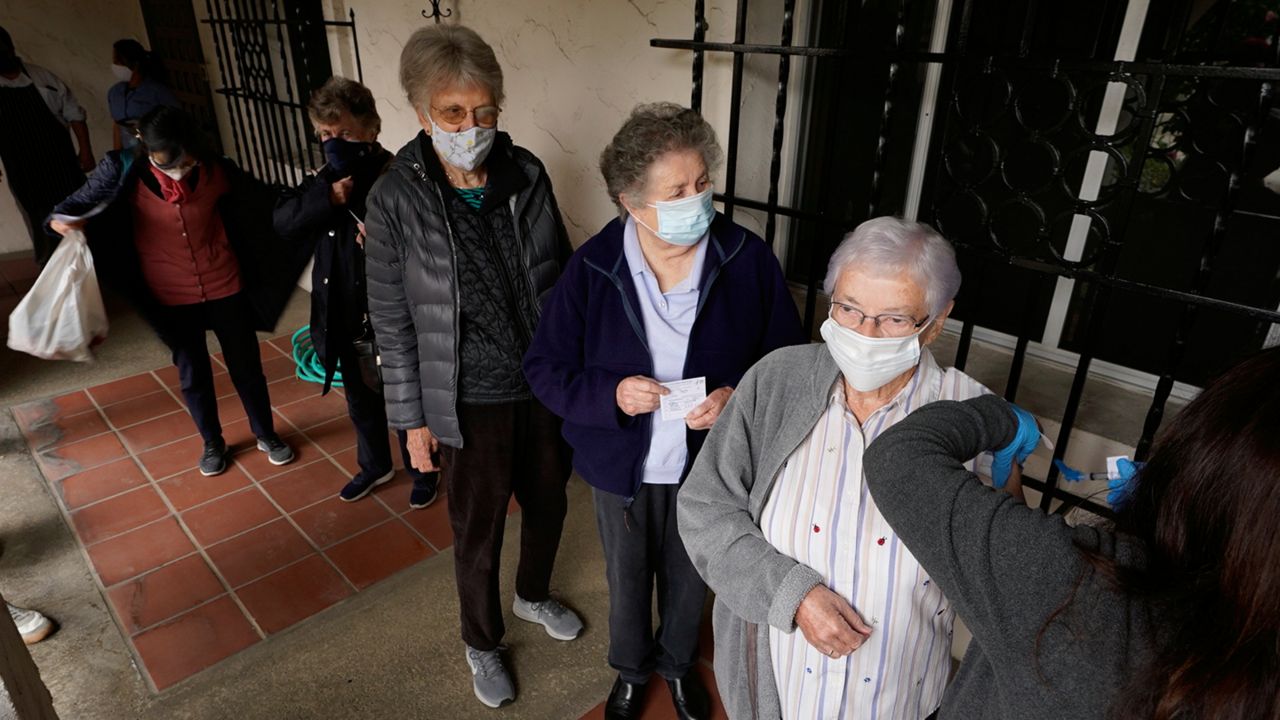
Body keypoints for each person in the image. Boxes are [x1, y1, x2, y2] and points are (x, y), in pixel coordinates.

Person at [678, 217, 1024, 720]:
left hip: (903, 699)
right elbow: (705, 509)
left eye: (894, 319)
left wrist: (1009, 465)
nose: (865, 333)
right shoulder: (775, 381)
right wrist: (791, 595)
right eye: (849, 308)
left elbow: (1009, 574)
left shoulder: (973, 416)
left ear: (938, 321)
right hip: (779, 696)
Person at [524, 102, 806, 720]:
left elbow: (787, 360)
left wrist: (738, 398)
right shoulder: (593, 268)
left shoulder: (746, 260)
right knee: (627, 580)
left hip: (708, 463)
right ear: (630, 200)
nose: (697, 200)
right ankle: (630, 670)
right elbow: (545, 369)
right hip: (621, 463)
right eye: (677, 190)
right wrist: (610, 395)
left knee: (691, 576)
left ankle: (678, 666)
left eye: (702, 183)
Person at [862, 348, 1280, 720]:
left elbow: (899, 458)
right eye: (847, 306)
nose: (867, 330)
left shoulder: (1083, 589)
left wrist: (1002, 418)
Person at [364, 24, 579, 709]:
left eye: (484, 110)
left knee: (549, 500)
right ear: (422, 113)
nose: (471, 125)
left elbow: (562, 279)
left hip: (542, 382)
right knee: (477, 528)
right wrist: (412, 421)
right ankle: (482, 641)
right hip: (465, 396)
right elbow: (393, 321)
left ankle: (533, 594)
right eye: (454, 113)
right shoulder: (395, 198)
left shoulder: (529, 173)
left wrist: (578, 372)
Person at [48, 106, 302, 476]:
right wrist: (69, 226)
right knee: (192, 373)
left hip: (224, 282)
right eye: (169, 162)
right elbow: (64, 211)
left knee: (246, 367)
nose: (180, 168)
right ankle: (212, 443)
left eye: (187, 159)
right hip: (169, 292)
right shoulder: (122, 170)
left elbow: (265, 202)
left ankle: (266, 433)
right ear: (147, 149)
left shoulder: (215, 168)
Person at [273, 76, 440, 509]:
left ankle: (423, 467)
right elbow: (283, 224)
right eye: (326, 134)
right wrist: (325, 198)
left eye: (344, 133)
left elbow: (432, 247)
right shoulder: (323, 180)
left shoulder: (397, 177)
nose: (334, 144)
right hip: (340, 311)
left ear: (370, 129)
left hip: (390, 315)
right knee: (360, 398)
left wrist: (386, 241)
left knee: (403, 394)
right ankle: (375, 465)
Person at [0, 25, 93, 265]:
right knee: (38, 219)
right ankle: (49, 272)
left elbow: (74, 114)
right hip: (22, 169)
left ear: (10, 48)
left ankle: (87, 267)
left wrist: (85, 150)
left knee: (75, 215)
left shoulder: (42, 78)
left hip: (61, 165)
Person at [108, 39, 180, 152]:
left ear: (135, 65)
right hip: (129, 153)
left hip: (155, 150)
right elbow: (117, 126)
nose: (115, 66)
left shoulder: (157, 92)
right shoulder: (115, 92)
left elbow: (175, 123)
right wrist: (117, 156)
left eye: (118, 62)